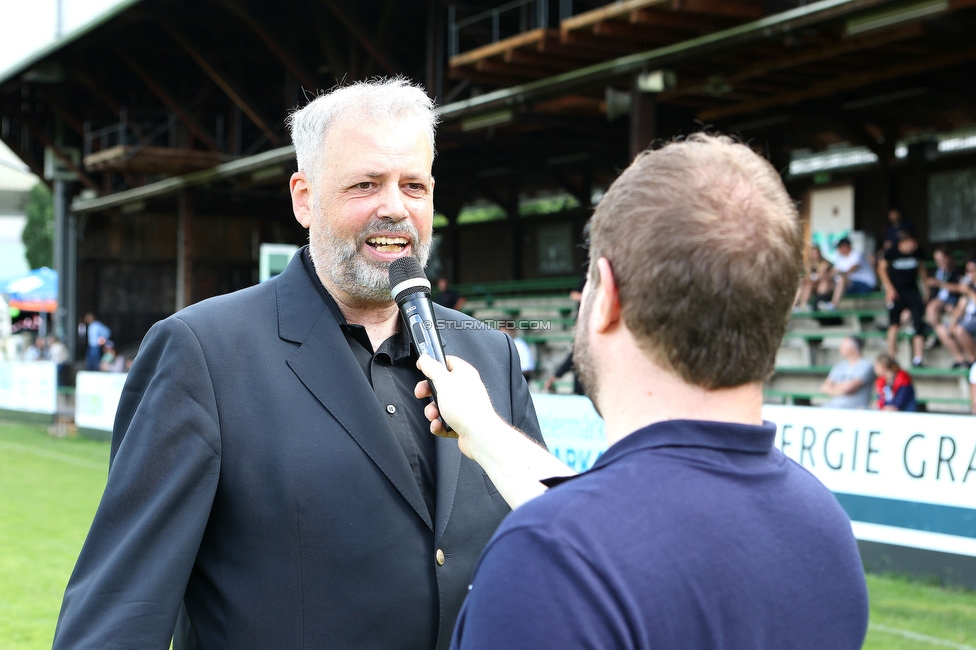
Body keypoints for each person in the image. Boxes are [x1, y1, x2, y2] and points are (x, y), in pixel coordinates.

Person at [53, 78, 544, 650]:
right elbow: (120, 611)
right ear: (303, 197)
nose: (394, 207)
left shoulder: (490, 353)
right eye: (366, 184)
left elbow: (548, 552)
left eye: (414, 185)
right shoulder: (202, 354)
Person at [415, 134, 868, 649]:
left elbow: (601, 536)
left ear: (606, 296)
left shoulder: (549, 557)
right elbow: (625, 524)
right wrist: (482, 428)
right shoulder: (823, 527)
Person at [878, 231, 928, 367]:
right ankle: (892, 357)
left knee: (919, 324)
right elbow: (881, 269)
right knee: (893, 324)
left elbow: (922, 270)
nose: (914, 245)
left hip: (912, 292)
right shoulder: (891, 253)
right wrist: (889, 289)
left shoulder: (917, 253)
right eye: (912, 242)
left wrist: (926, 289)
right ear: (903, 242)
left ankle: (918, 359)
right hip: (896, 293)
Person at [926, 247, 965, 367]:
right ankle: (938, 334)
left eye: (941, 259)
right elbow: (931, 294)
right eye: (937, 260)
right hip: (939, 305)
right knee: (932, 310)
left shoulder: (957, 271)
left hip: (953, 303)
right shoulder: (934, 272)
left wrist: (939, 283)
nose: (939, 262)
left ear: (948, 258)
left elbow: (960, 289)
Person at [818, 237, 876, 311]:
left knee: (841, 279)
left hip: (866, 284)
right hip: (852, 285)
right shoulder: (841, 259)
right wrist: (822, 277)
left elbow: (853, 268)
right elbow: (834, 271)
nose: (838, 250)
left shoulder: (856, 255)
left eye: (839, 247)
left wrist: (840, 274)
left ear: (846, 247)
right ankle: (820, 303)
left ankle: (833, 305)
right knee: (827, 282)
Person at [821, 336, 874, 408]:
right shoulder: (839, 366)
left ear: (852, 348)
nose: (839, 348)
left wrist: (834, 387)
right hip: (834, 407)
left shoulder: (866, 365)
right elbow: (824, 388)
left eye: (843, 345)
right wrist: (844, 388)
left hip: (854, 410)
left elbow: (850, 388)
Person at [793, 243, 832, 311]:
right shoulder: (808, 263)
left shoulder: (825, 263)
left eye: (816, 253)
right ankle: (800, 305)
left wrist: (808, 278)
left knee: (807, 284)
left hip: (823, 286)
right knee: (804, 284)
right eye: (813, 253)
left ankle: (800, 304)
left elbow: (819, 275)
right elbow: (808, 275)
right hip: (811, 285)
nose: (815, 255)